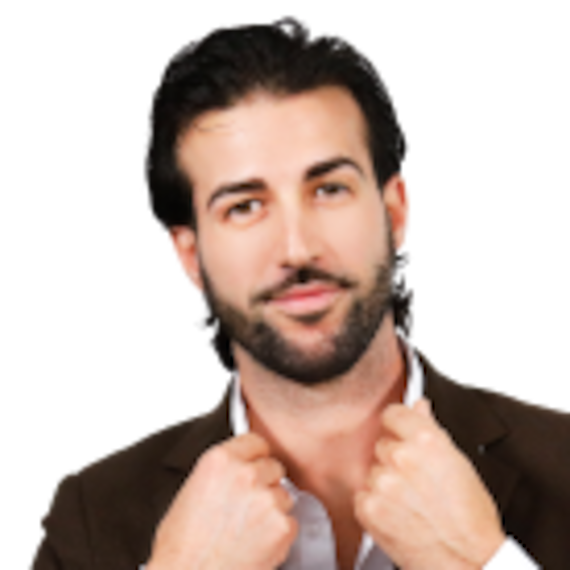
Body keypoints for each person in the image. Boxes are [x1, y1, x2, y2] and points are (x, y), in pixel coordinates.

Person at [31, 13, 568, 570]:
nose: (297, 248)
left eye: (329, 189)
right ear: (188, 258)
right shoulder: (88, 514)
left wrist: (484, 561)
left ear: (397, 211)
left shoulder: (566, 461)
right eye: (245, 206)